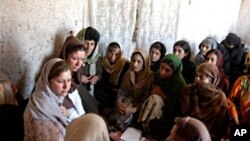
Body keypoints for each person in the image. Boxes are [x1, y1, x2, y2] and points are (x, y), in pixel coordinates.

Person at [137, 54, 186, 140]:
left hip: (169, 116)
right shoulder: (157, 76)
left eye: (168, 70)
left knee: (156, 99)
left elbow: (177, 109)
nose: (162, 72)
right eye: (162, 67)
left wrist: (163, 95)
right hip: (152, 108)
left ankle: (150, 131)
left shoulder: (179, 85)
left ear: (175, 71)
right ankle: (145, 127)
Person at [23, 58, 71, 141]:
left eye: (69, 80)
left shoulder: (42, 97)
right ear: (47, 82)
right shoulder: (43, 121)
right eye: (60, 81)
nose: (66, 86)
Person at [180, 62, 229, 141]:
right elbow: (183, 113)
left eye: (201, 77)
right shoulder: (189, 90)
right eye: (196, 76)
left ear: (212, 80)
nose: (197, 79)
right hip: (188, 130)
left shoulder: (219, 98)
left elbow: (221, 126)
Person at [95, 42, 130, 113]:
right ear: (107, 52)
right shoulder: (102, 61)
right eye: (111, 53)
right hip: (104, 89)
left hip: (117, 90)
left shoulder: (125, 64)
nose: (113, 57)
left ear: (120, 54)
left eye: (117, 54)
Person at [60, 35, 86, 122]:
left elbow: (74, 93)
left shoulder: (75, 72)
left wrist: (82, 115)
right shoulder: (58, 73)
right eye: (74, 58)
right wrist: (73, 114)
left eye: (82, 59)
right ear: (66, 55)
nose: (79, 64)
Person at [76, 26, 102, 113]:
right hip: (78, 88)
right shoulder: (75, 55)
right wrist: (79, 76)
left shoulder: (96, 57)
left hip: (92, 89)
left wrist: (96, 78)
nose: (89, 47)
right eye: (86, 43)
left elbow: (100, 73)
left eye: (92, 44)